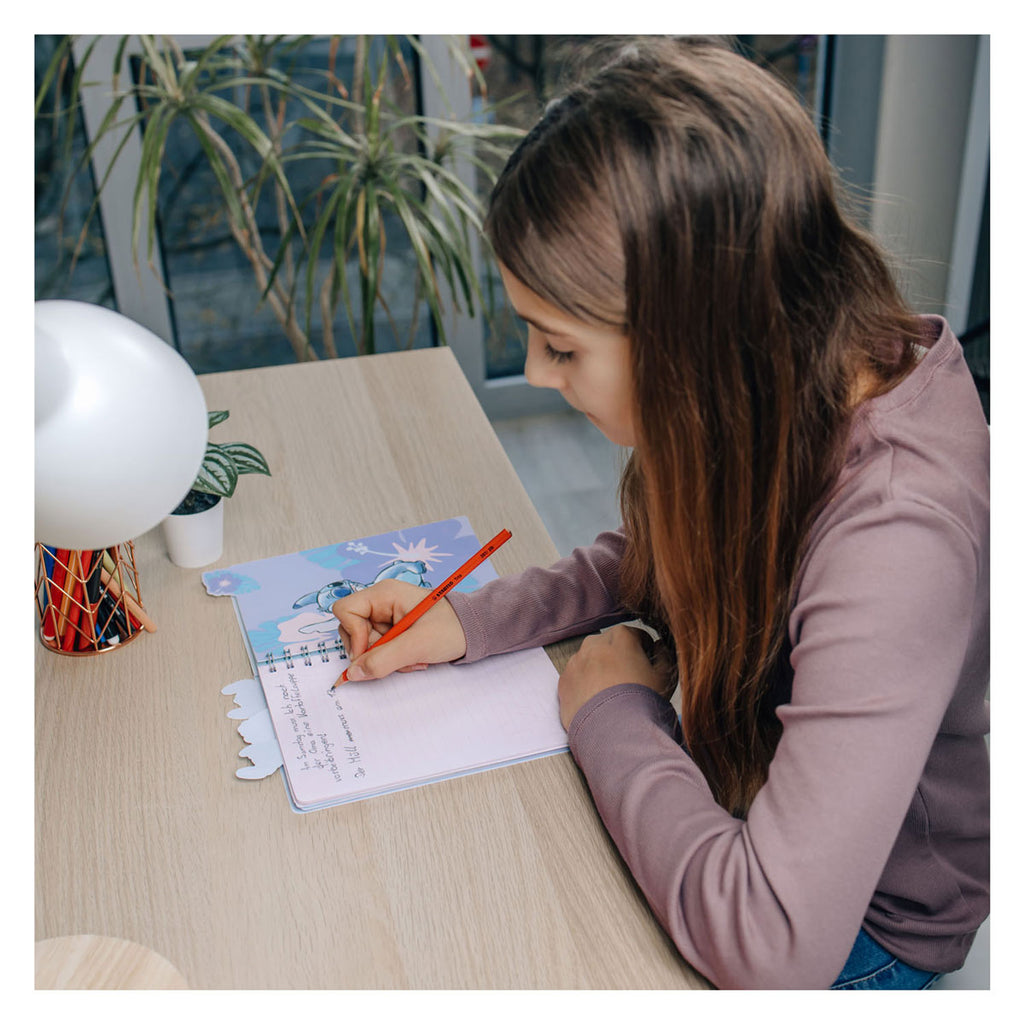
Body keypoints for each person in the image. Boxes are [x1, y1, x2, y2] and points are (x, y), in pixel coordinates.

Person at [331, 37, 989, 990]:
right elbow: (663, 555)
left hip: (870, 929)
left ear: (698, 338)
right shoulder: (788, 382)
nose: (535, 374)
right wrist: (466, 621)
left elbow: (770, 945)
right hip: (751, 823)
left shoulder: (898, 538)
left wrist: (612, 711)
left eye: (561, 347)